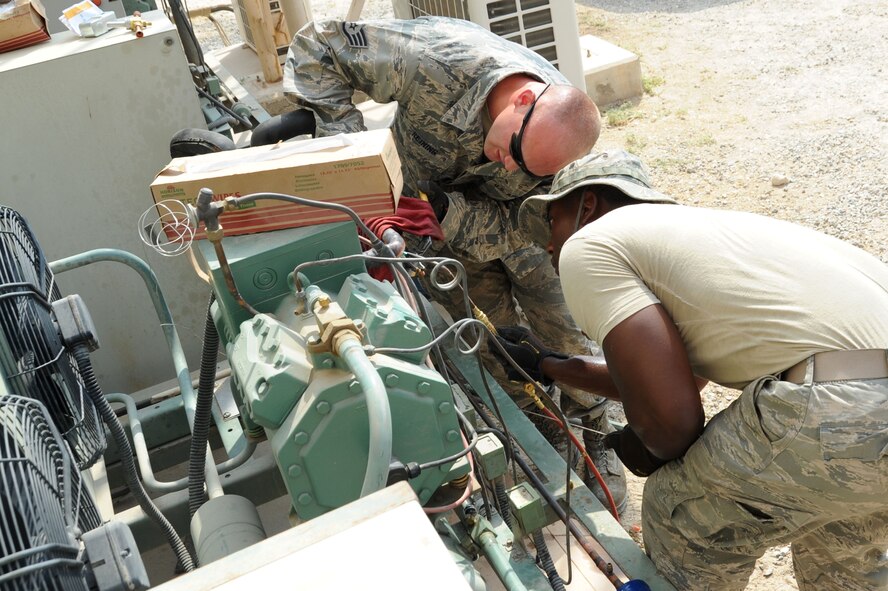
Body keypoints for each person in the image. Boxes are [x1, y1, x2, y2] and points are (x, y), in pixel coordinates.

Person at [494, 148, 888, 590]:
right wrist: (552, 365)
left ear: (588, 205)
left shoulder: (592, 241)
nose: (550, 244)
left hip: (845, 409)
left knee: (679, 516)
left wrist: (646, 447)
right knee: (840, 538)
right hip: (864, 412)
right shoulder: (714, 238)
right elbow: (672, 379)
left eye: (553, 222)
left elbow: (671, 422)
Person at [281, 16, 628, 510]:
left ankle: (596, 429)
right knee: (488, 337)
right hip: (427, 223)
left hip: (512, 227)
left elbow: (530, 224)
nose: (510, 166)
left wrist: (454, 215)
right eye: (513, 152)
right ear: (522, 100)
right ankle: (546, 427)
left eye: (525, 168)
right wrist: (358, 156)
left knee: (565, 328)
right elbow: (321, 45)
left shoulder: (554, 148)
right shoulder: (435, 59)